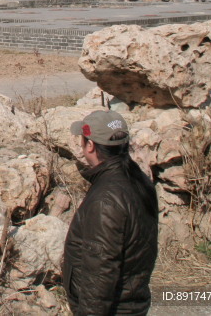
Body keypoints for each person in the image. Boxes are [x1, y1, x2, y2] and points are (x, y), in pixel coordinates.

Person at [62, 109, 159, 316]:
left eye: (83, 140)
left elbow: (100, 274)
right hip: (133, 302)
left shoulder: (106, 200)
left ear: (90, 145)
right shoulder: (138, 180)